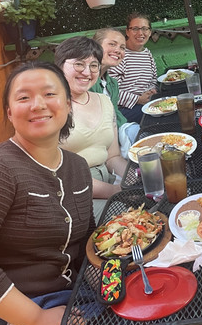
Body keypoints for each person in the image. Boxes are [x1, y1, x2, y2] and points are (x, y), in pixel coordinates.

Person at [0, 61, 95, 325]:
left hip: (76, 297)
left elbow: (87, 237)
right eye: (24, 97)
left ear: (68, 104)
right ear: (10, 113)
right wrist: (36, 321)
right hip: (8, 312)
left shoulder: (77, 166)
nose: (38, 104)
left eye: (50, 94)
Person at [54, 36, 126, 220]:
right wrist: (117, 192)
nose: (87, 72)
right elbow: (60, 174)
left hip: (107, 181)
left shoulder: (104, 101)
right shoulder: (51, 108)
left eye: (94, 65)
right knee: (131, 217)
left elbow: (113, 156)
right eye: (79, 64)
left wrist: (132, 178)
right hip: (72, 194)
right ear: (60, 66)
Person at [91, 27, 140, 157]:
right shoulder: (86, 81)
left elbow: (115, 113)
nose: (118, 50)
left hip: (115, 136)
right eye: (112, 44)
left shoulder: (112, 84)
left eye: (122, 47)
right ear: (96, 46)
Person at [109, 12, 158, 123]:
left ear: (150, 32)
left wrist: (152, 91)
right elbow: (111, 91)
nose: (140, 33)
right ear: (127, 32)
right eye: (135, 29)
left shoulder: (147, 54)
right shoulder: (119, 55)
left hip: (146, 103)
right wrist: (138, 99)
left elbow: (154, 79)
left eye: (145, 29)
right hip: (125, 110)